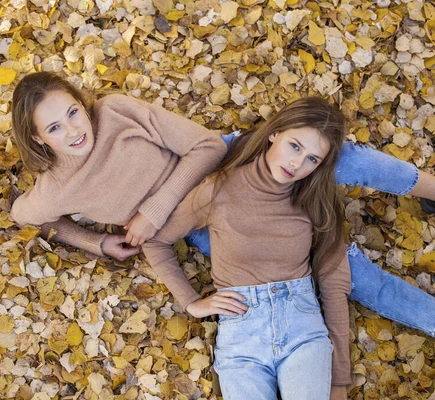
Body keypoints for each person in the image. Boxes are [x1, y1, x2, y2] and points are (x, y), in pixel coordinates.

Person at [9, 72, 435, 387]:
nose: (75, 129)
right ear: (37, 139)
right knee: (346, 274)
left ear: (83, 100)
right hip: (210, 222)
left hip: (237, 157)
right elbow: (26, 217)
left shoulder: (117, 111)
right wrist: (98, 241)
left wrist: (152, 209)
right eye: (55, 127)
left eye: (74, 112)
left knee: (344, 157)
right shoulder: (55, 189)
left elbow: (208, 147)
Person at [143, 97, 351, 398]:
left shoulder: (316, 201)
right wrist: (191, 302)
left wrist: (339, 380)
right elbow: (155, 240)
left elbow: (334, 283)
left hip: (302, 329)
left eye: (312, 159)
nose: (297, 163)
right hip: (242, 333)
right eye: (295, 146)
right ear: (274, 133)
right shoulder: (218, 188)